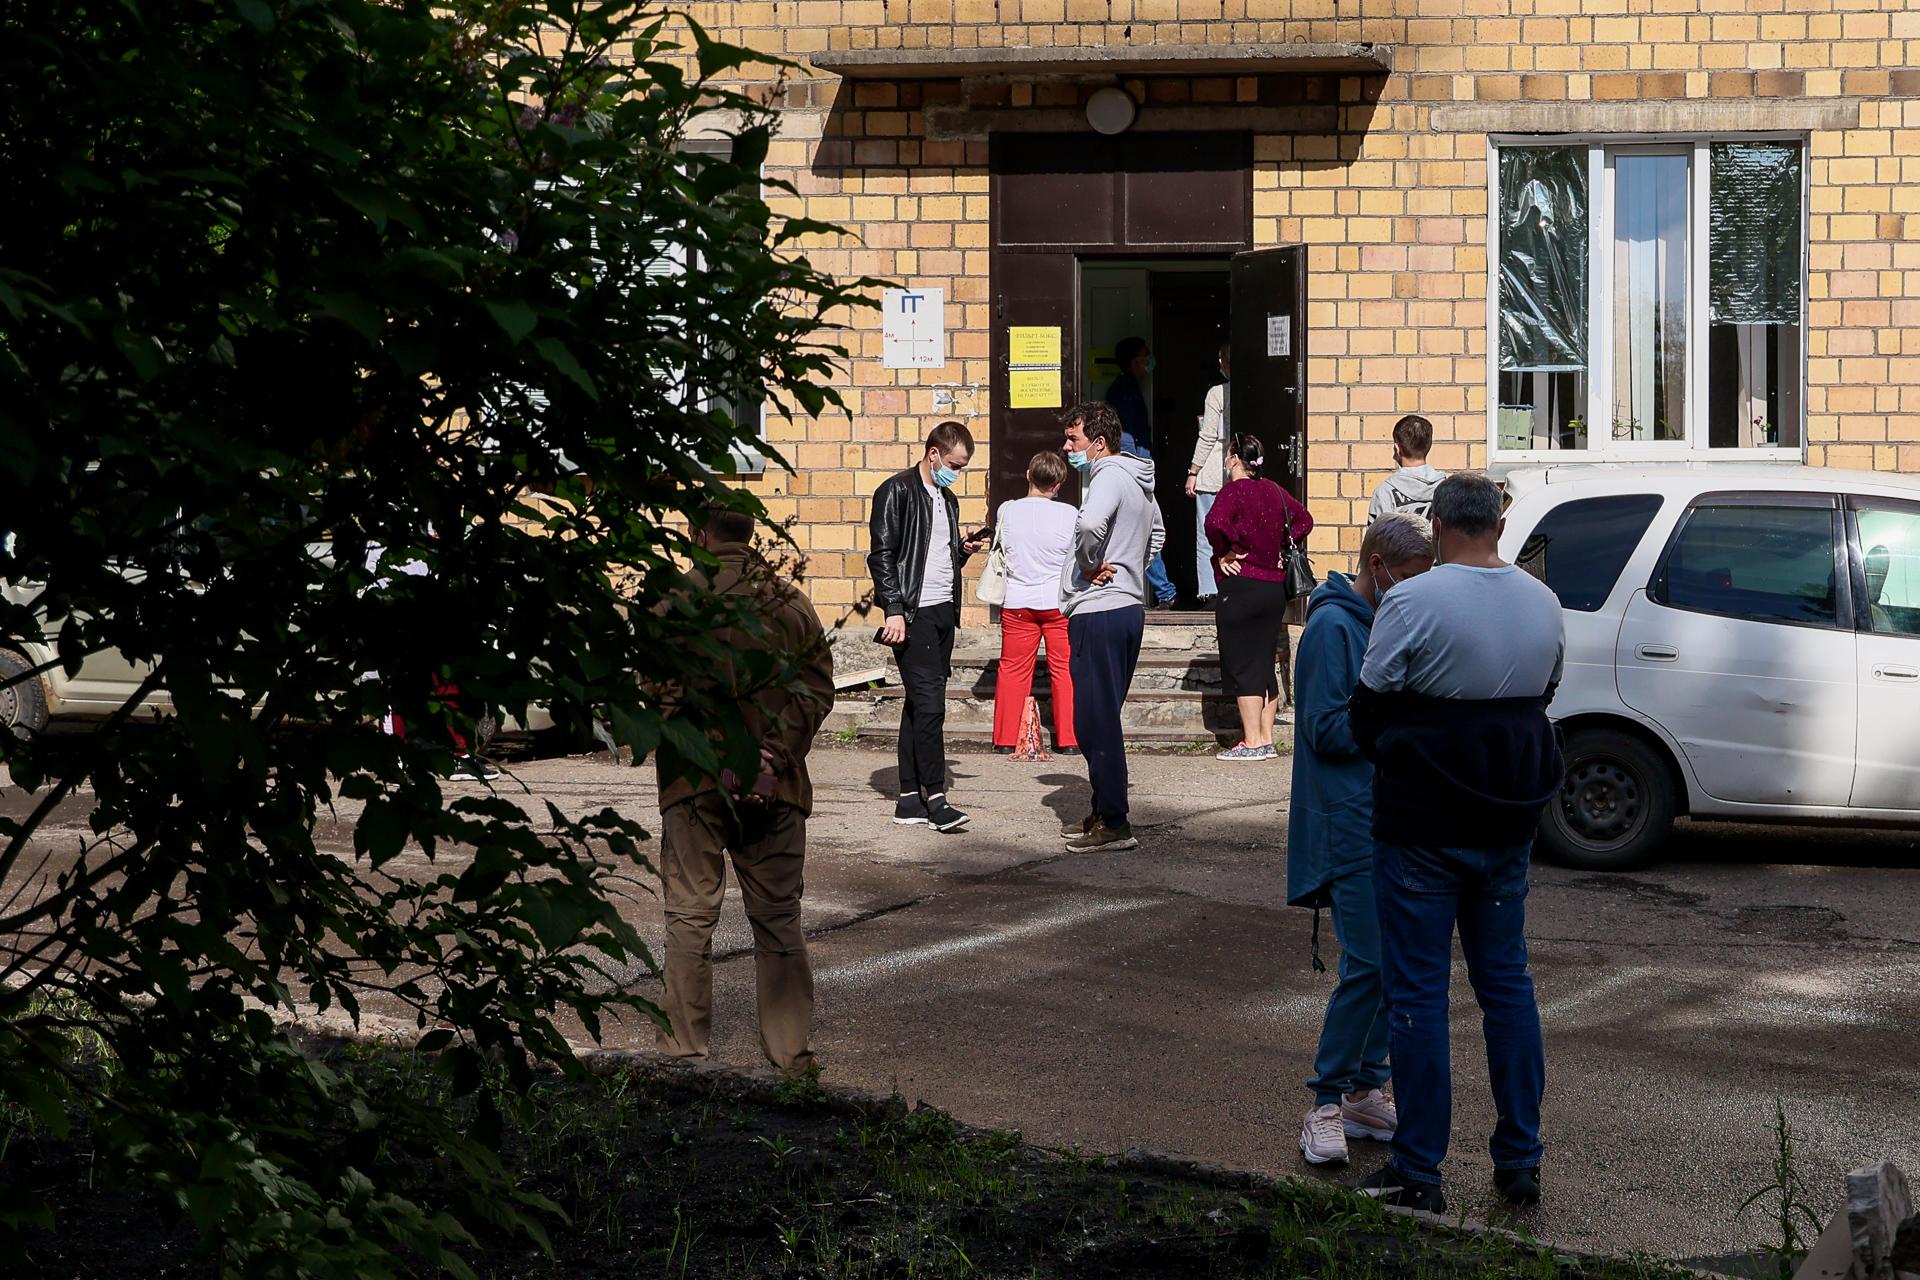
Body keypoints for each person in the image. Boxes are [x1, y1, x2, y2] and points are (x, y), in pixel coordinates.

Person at [1348, 472, 1566, 1212]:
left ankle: (1419, 1173)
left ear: (1436, 525)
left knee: (1418, 997)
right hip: (1507, 819)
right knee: (1507, 986)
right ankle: (1520, 1161)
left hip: (1423, 823)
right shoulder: (1543, 601)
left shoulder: (1411, 599)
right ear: (1499, 527)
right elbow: (1543, 696)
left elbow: (1369, 709)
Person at [655, 505, 835, 1077]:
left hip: (693, 784)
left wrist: (720, 751)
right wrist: (769, 756)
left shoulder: (673, 603)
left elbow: (656, 695)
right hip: (776, 786)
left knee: (689, 917)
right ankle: (791, 1060)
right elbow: (817, 691)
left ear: (697, 535)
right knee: (779, 918)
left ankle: (685, 1056)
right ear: (750, 537)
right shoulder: (789, 603)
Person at [1287, 513, 1435, 1168]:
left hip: (1383, 814)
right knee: (1370, 964)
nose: (1412, 593)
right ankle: (1324, 1100)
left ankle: (1365, 1088)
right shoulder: (1331, 627)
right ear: (1378, 567)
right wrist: (1402, 713)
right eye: (1406, 580)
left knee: (1389, 963)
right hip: (1347, 821)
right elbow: (1324, 730)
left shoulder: (1375, 621)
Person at [867, 421, 990, 833]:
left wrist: (963, 551)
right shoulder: (896, 491)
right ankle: (936, 798)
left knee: (919, 703)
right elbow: (882, 555)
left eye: (963, 467)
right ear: (934, 453)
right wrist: (893, 610)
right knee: (932, 705)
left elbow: (935, 558)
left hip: (942, 612)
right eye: (955, 463)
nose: (957, 472)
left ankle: (907, 797)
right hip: (912, 615)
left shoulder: (947, 499)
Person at [1058, 401, 1164, 852]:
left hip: (1098, 608)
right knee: (1102, 715)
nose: (1067, 448)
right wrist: (1133, 569)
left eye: (1074, 440)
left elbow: (1088, 524)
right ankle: (1104, 810)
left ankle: (1115, 821)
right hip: (1125, 608)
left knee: (1093, 719)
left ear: (1099, 443)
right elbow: (1158, 534)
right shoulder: (1138, 480)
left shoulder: (1107, 476)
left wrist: (1091, 564)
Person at [1203, 434, 1314, 761]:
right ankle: (1265, 738)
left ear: (1235, 458)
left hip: (1242, 586)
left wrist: (1229, 549)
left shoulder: (1233, 491)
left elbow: (1214, 523)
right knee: (1263, 662)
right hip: (1273, 590)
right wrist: (1281, 545)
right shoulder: (1275, 491)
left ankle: (1251, 741)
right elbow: (1305, 520)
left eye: (1228, 455)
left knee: (1242, 663)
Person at [991, 451, 1080, 756]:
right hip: (1057, 602)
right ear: (1058, 484)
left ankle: (1004, 738)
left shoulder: (1007, 511)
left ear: (1028, 474)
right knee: (1065, 670)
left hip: (1017, 600)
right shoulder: (1070, 514)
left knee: (1012, 670)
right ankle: (1068, 739)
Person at [1105, 336, 1177, 608]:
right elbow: (1124, 439)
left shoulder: (1129, 388)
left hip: (1136, 470)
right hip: (1135, 472)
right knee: (1144, 530)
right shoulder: (1124, 392)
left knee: (1143, 530)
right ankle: (1164, 591)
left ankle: (1163, 591)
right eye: (1145, 355)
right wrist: (1136, 471)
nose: (1149, 360)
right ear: (1134, 361)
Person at [1185, 343, 1231, 606]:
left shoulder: (1216, 393)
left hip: (1213, 471)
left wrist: (1193, 471)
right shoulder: (1255, 389)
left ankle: (1210, 590)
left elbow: (1208, 435)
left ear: (1222, 362)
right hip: (1238, 472)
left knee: (1207, 535)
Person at [1367, 414, 1446, 523]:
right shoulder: (1446, 489)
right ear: (1429, 446)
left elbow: (1376, 538)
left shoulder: (1385, 492)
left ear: (1397, 449)